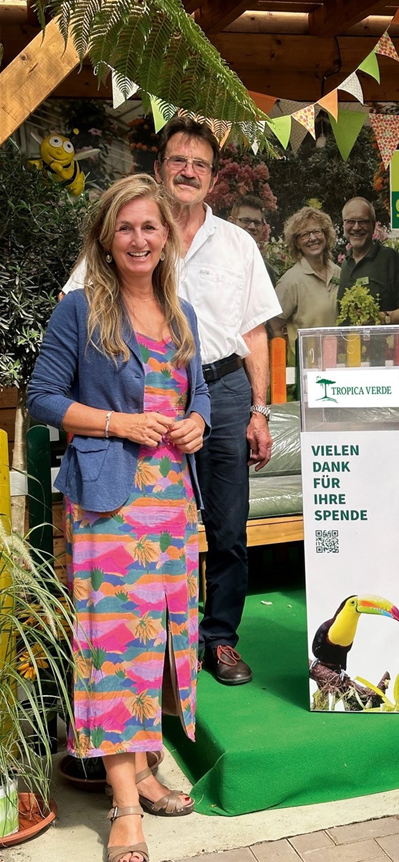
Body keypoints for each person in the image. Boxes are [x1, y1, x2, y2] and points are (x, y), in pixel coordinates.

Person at [28, 174, 211, 862]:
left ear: (167, 236)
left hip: (173, 501)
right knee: (114, 647)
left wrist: (197, 421)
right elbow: (44, 397)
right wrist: (119, 422)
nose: (139, 239)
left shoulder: (181, 310)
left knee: (160, 641)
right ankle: (125, 805)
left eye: (150, 227)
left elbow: (200, 399)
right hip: (110, 500)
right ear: (107, 238)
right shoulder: (79, 310)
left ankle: (144, 765)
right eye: (126, 227)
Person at [62, 118, 282, 688]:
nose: (188, 171)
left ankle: (220, 640)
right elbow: (78, 310)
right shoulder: (134, 232)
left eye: (200, 165)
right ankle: (154, 647)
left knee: (228, 525)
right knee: (152, 527)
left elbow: (255, 332)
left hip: (223, 392)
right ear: (160, 169)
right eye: (178, 161)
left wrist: (260, 410)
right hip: (144, 399)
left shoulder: (237, 243)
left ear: (212, 180)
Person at [270, 207, 340, 363]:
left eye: (317, 231)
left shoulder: (339, 273)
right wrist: (284, 365)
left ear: (326, 235)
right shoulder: (290, 281)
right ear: (297, 243)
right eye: (305, 235)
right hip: (307, 366)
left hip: (340, 362)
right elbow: (274, 325)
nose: (312, 238)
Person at [337, 197, 399, 324]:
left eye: (363, 221)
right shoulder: (345, 263)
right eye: (351, 221)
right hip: (351, 343)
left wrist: (383, 317)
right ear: (344, 224)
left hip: (385, 342)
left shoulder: (390, 259)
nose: (356, 227)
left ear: (373, 225)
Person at [228, 194, 278, 287]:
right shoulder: (216, 259)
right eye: (245, 220)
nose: (252, 227)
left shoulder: (266, 271)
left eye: (257, 222)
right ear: (231, 222)